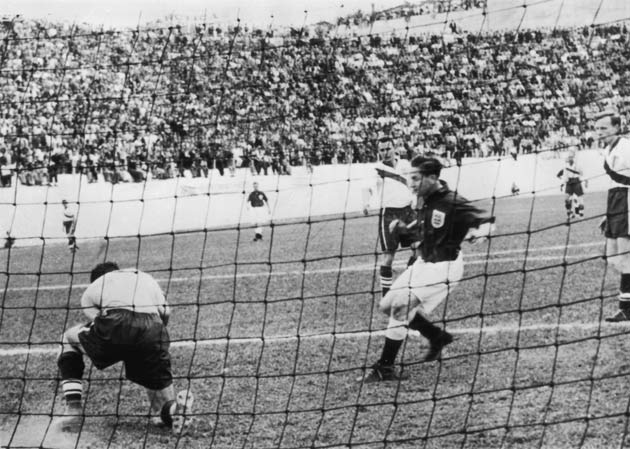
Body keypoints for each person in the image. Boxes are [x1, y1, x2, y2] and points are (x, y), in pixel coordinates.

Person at [362, 155, 495, 382]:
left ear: (432, 177)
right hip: (425, 262)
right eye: (409, 178)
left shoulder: (452, 201)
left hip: (444, 266)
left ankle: (385, 367)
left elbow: (487, 222)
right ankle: (436, 336)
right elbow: (426, 229)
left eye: (415, 178)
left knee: (401, 307)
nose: (411, 184)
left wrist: (479, 233)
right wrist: (405, 229)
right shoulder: (423, 200)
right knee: (387, 306)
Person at [56, 262, 194, 434]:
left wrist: (122, 345)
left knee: (68, 339)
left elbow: (98, 322)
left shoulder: (92, 290)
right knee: (161, 411)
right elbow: (166, 313)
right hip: (153, 330)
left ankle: (73, 409)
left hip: (116, 327)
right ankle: (175, 410)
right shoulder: (144, 277)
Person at [362, 142, 416, 296]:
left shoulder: (405, 164)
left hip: (408, 212)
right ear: (378, 151)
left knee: (419, 248)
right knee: (389, 257)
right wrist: (366, 202)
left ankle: (408, 285)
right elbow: (367, 187)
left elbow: (414, 181)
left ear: (395, 149)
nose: (386, 152)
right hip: (389, 215)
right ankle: (387, 294)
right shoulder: (376, 169)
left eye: (388, 149)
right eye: (382, 150)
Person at [598, 112, 630, 322]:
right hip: (615, 200)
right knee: (612, 258)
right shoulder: (608, 149)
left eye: (604, 128)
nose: (599, 133)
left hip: (627, 199)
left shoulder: (626, 147)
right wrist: (607, 214)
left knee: (625, 258)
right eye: (597, 129)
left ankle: (625, 308)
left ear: (617, 127)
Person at [557, 151, 586, 219]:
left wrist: (584, 180)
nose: (570, 159)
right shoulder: (565, 166)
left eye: (571, 157)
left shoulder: (578, 165)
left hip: (576, 182)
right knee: (566, 199)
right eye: (569, 157)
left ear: (573, 158)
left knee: (580, 199)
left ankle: (581, 213)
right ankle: (570, 213)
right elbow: (565, 176)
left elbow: (582, 174)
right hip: (569, 183)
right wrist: (562, 184)